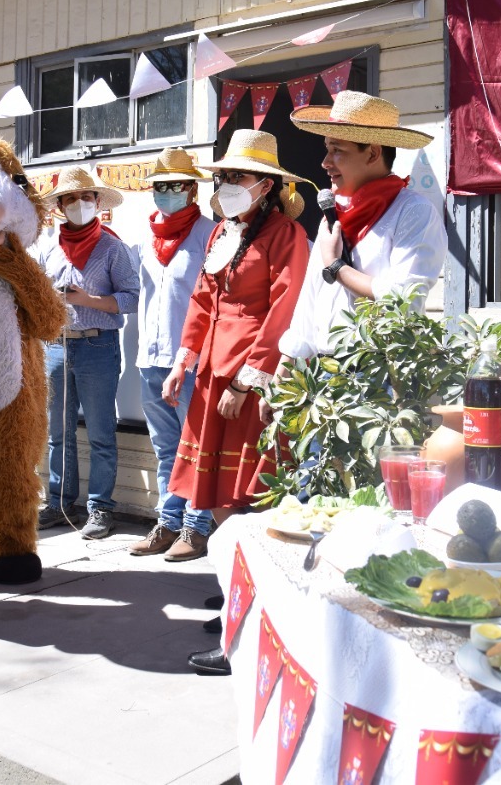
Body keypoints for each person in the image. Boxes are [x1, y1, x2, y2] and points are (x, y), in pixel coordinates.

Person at [161, 130, 310, 675]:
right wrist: (183, 358)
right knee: (220, 495)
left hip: (248, 378)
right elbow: (205, 300)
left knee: (249, 497)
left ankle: (254, 618)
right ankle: (235, 594)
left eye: (236, 177)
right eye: (222, 176)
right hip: (210, 377)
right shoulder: (223, 231)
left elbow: (284, 307)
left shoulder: (286, 234)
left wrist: (249, 379)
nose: (224, 186)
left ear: (266, 185)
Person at [273, 90, 446, 384]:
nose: (325, 162)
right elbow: (310, 301)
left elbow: (403, 299)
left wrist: (337, 267)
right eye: (327, 149)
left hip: (380, 373)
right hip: (321, 371)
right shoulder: (334, 213)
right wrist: (283, 372)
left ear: (373, 153)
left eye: (337, 150)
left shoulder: (413, 212)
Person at [35, 167, 140, 539]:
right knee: (57, 433)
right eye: (70, 199)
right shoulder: (48, 247)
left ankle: (99, 509)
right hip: (56, 346)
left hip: (98, 344)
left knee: (99, 432)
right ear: (60, 206)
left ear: (97, 202)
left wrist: (88, 300)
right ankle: (60, 502)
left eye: (85, 198)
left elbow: (130, 298)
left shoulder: (113, 247)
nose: (78, 204)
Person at [126, 148, 217, 562]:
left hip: (192, 361)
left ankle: (198, 527)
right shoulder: (145, 239)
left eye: (171, 186)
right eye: (157, 186)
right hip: (151, 358)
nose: (163, 193)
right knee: (167, 450)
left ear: (191, 188)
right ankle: (169, 520)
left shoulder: (210, 235)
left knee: (196, 448)